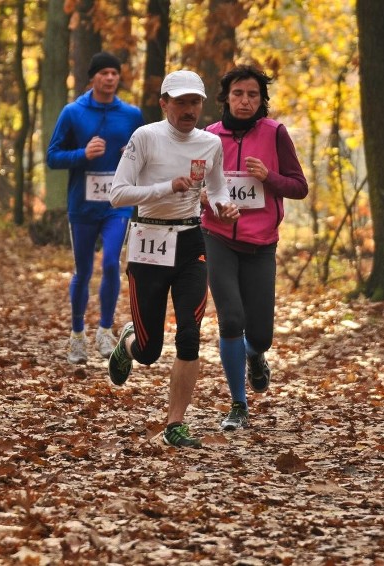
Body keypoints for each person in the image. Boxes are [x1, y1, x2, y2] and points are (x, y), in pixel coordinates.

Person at [108, 70, 240, 448]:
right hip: (148, 240)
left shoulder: (209, 143)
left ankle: (175, 424)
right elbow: (117, 194)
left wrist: (224, 206)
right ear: (164, 103)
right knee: (149, 352)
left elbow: (216, 188)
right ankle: (128, 344)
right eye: (180, 102)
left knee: (189, 334)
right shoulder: (145, 137)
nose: (188, 110)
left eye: (195, 102)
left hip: (190, 241)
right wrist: (167, 187)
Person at [201, 65, 308, 431]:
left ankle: (254, 355)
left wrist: (269, 177)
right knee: (231, 319)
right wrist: (207, 200)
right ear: (225, 98)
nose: (245, 101)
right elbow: (192, 190)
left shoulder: (275, 133)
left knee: (260, 334)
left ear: (262, 100)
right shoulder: (208, 137)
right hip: (217, 237)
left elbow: (298, 187)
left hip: (262, 243)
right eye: (237, 94)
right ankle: (238, 405)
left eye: (252, 95)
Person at [47, 52, 144, 363]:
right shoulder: (73, 112)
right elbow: (52, 156)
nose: (110, 78)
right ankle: (77, 335)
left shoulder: (131, 115)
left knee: (112, 263)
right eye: (103, 73)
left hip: (118, 203)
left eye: (114, 73)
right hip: (83, 205)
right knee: (84, 270)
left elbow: (144, 155)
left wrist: (131, 154)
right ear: (92, 78)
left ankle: (105, 330)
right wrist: (82, 154)